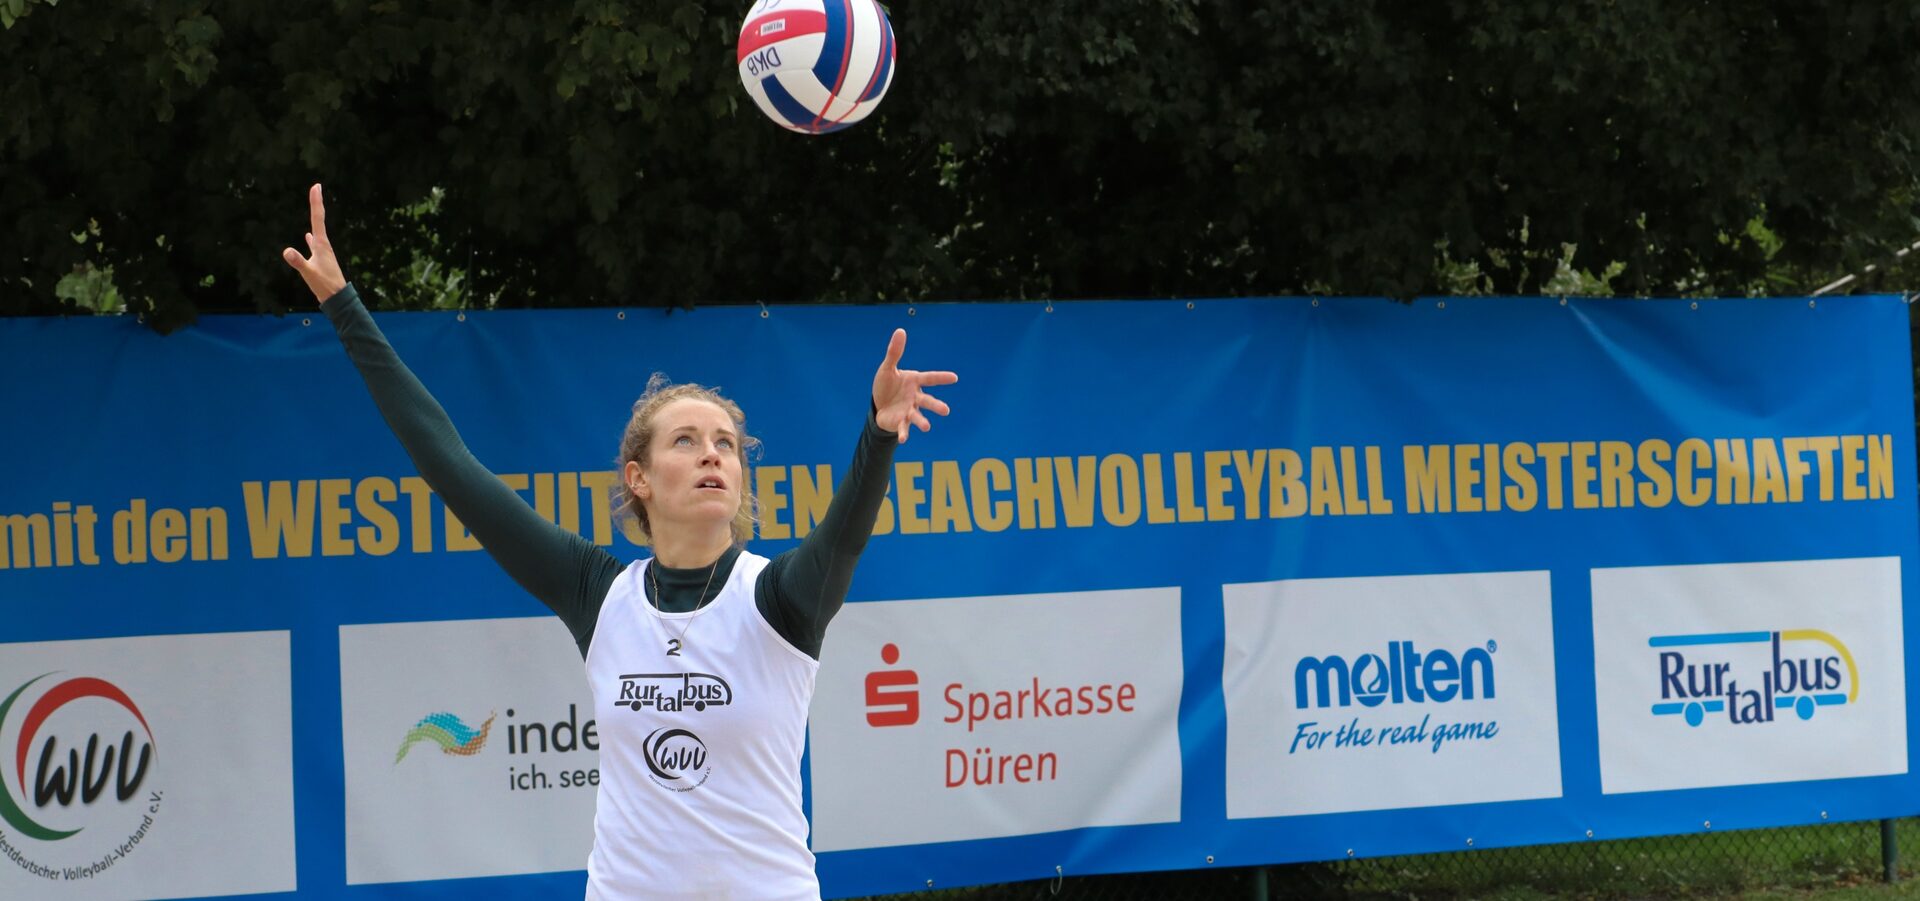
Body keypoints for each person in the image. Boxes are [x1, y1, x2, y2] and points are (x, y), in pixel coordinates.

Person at [281, 184, 957, 900]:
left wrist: (878, 434)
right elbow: (452, 465)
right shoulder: (601, 596)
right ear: (639, 477)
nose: (712, 453)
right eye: (686, 440)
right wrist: (344, 305)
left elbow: (844, 539)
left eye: (726, 443)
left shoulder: (778, 600)